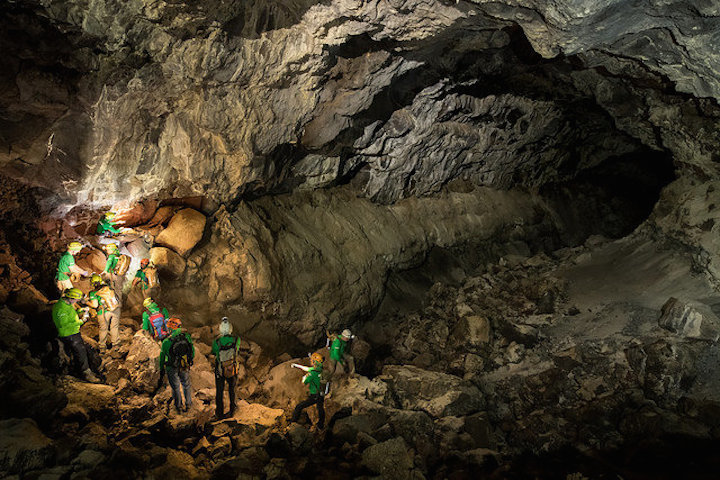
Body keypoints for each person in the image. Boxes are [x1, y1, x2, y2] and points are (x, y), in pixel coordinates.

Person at [52, 288, 100, 383]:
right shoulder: (61, 308)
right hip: (68, 334)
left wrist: (80, 311)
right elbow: (63, 324)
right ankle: (86, 374)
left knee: (81, 351)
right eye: (76, 300)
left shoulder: (67, 304)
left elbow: (70, 315)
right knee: (80, 353)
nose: (77, 301)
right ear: (71, 297)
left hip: (73, 332)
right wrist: (80, 321)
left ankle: (80, 371)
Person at [158, 317, 194, 414]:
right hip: (183, 365)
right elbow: (192, 350)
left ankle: (178, 406)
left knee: (176, 387)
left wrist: (161, 368)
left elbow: (162, 356)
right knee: (186, 385)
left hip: (172, 366)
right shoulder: (186, 337)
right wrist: (190, 361)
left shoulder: (166, 342)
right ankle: (189, 404)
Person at [211, 317, 241, 419]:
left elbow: (214, 352)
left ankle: (219, 413)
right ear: (230, 329)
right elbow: (237, 351)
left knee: (219, 391)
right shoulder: (236, 339)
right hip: (232, 368)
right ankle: (233, 410)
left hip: (220, 369)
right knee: (232, 389)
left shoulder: (217, 341)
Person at [86, 274, 121, 354]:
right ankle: (116, 345)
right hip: (115, 309)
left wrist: (86, 302)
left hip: (103, 312)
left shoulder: (93, 293)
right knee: (114, 327)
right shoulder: (107, 287)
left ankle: (102, 347)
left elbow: (95, 305)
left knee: (103, 329)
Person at [290, 352, 325, 430]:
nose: (310, 361)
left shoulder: (312, 374)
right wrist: (296, 366)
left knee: (299, 406)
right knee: (320, 408)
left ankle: (293, 422)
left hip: (314, 395)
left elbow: (304, 383)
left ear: (314, 362)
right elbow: (307, 368)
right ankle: (321, 425)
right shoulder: (320, 369)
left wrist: (304, 378)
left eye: (312, 360)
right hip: (321, 394)